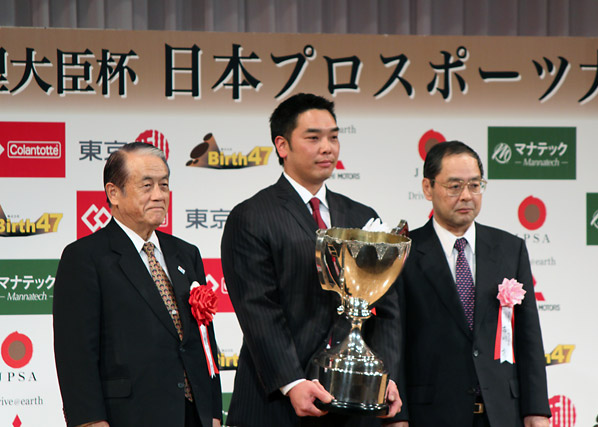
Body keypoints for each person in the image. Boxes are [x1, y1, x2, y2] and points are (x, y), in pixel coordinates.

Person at [221, 93, 402, 426]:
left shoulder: (362, 217)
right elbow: (258, 309)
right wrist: (292, 383)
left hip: (354, 404)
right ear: (282, 145)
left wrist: (384, 376)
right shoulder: (252, 216)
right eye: (314, 138)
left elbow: (388, 311)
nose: (327, 148)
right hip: (276, 405)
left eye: (333, 137)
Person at [53, 142, 222, 427]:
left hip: (194, 415)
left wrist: (214, 412)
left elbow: (205, 342)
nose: (159, 195)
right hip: (129, 415)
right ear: (113, 193)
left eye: (164, 185)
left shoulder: (185, 253)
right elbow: (75, 354)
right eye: (147, 186)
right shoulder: (85, 257)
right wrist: (90, 421)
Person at [387, 141, 551, 427]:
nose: (466, 196)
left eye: (475, 185)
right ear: (428, 188)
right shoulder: (404, 252)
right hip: (432, 414)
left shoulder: (509, 249)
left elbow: (529, 338)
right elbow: (393, 340)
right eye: (454, 186)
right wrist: (397, 417)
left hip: (502, 413)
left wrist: (536, 411)